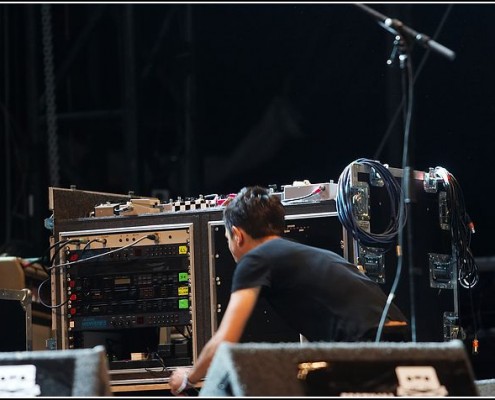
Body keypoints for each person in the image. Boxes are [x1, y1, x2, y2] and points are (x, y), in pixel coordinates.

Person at [169, 185, 408, 395]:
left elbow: (224, 340)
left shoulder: (255, 259)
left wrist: (188, 378)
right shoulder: (298, 253)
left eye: (227, 238)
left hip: (362, 346)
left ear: (237, 235)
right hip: (399, 338)